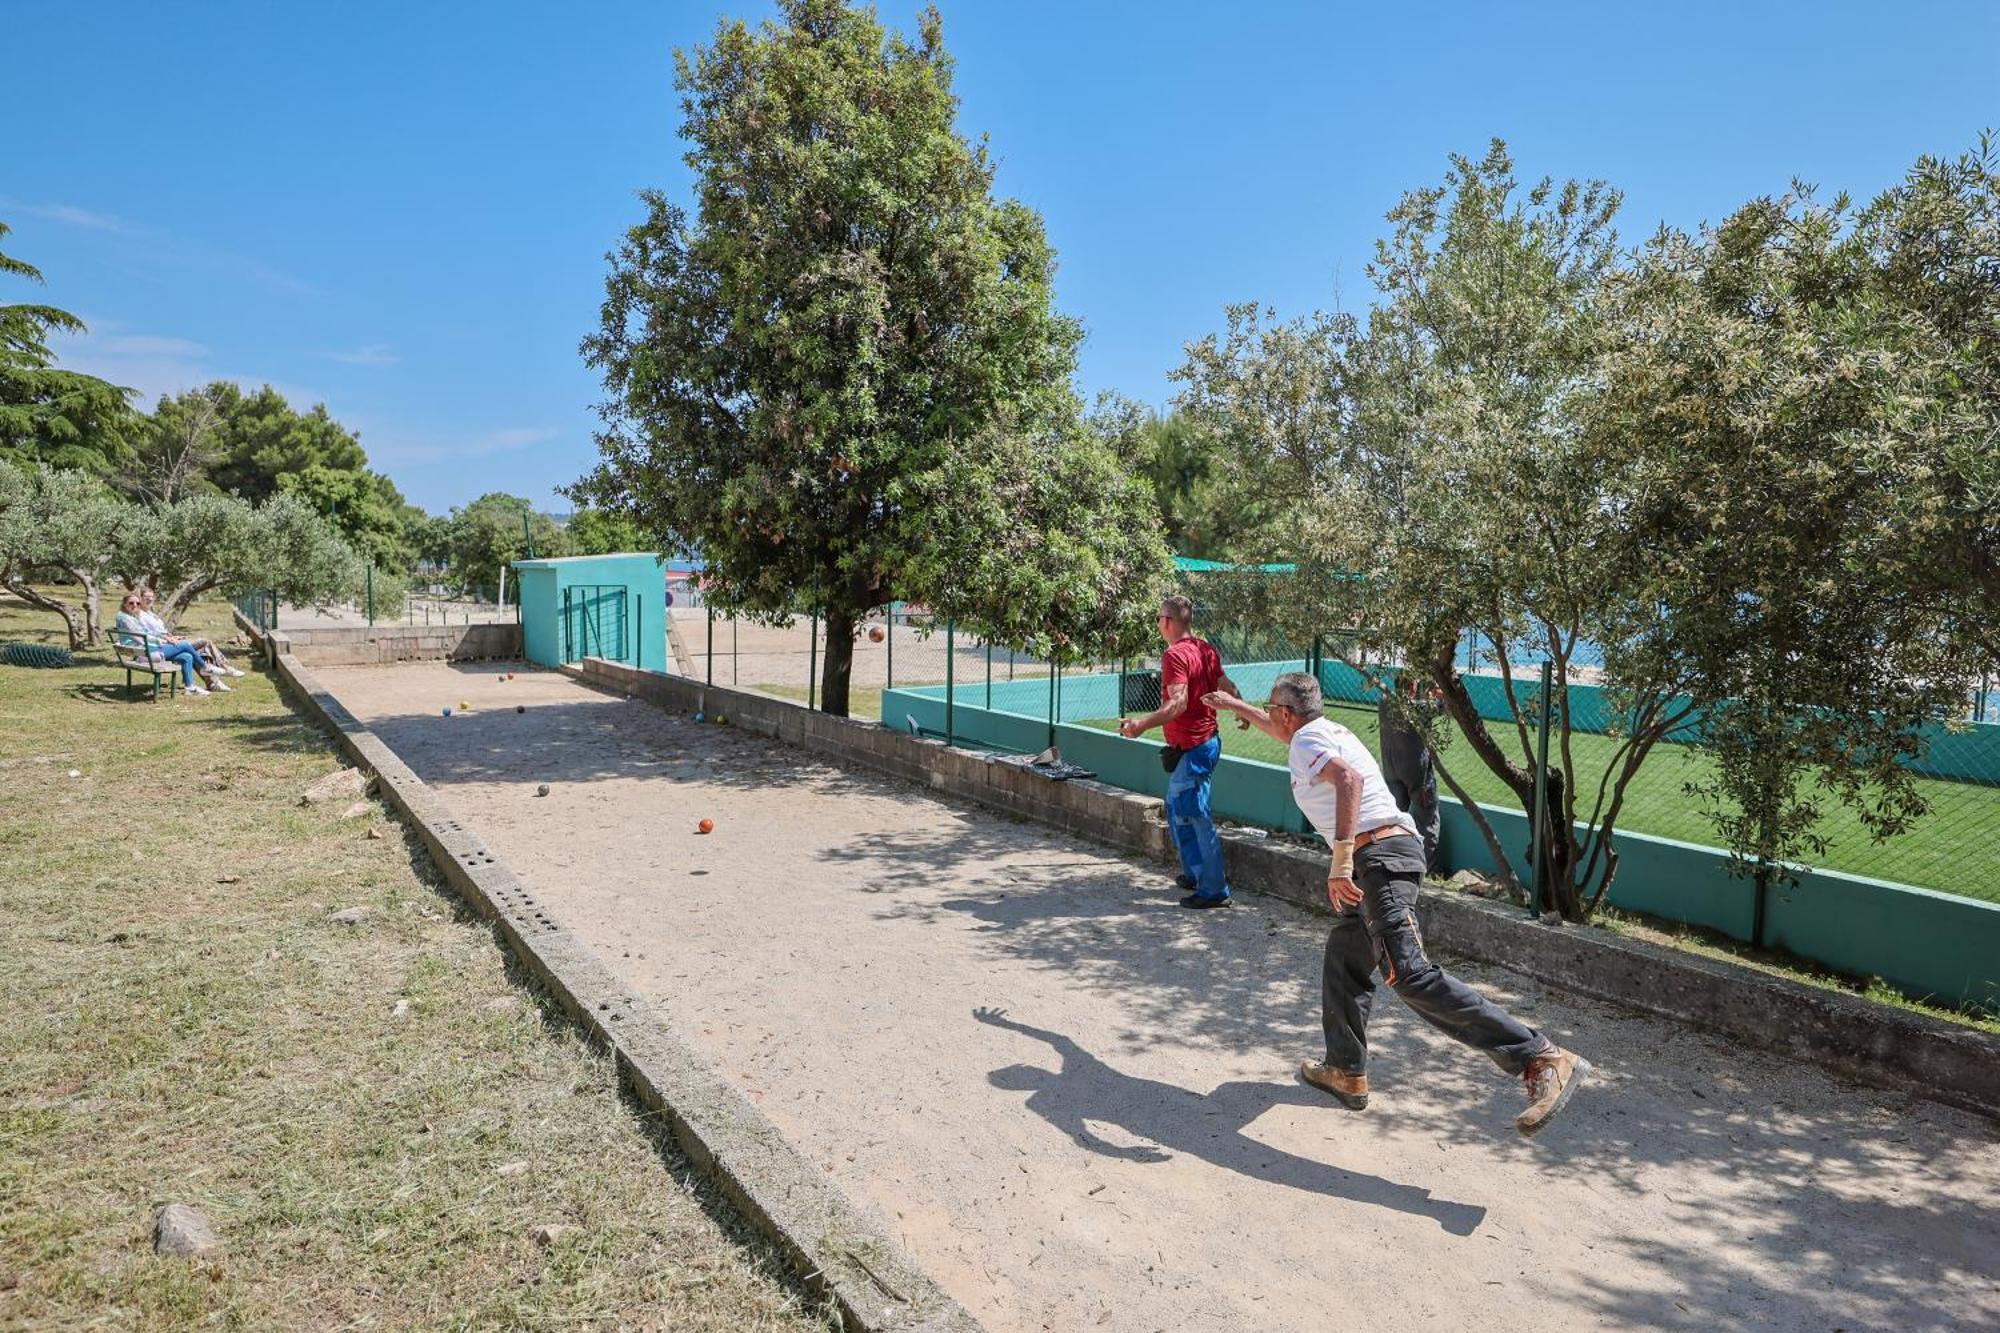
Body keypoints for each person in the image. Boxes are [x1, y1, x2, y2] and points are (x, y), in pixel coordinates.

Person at [1205, 671, 1590, 1137]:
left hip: (1377, 857)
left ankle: (1539, 1057)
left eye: (1270, 708)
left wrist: (1341, 860)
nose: (1267, 715)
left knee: (1409, 975)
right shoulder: (1320, 732)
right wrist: (1232, 705)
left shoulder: (1308, 741)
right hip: (1392, 850)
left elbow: (1347, 781)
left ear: (1287, 713)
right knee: (1347, 955)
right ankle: (1345, 1070)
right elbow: (1281, 733)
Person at [1118, 595, 1240, 909]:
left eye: (1159, 618)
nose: (1158, 623)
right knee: (1177, 808)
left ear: (1168, 621)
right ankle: (1194, 873)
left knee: (1196, 814)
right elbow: (1226, 684)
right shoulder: (1205, 648)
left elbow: (1178, 704)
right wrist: (1240, 709)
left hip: (1196, 747)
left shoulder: (1175, 655)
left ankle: (1213, 890)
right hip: (1201, 744)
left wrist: (1141, 725)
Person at [1377, 675, 1441, 871]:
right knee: (1426, 817)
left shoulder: (1384, 702)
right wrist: (1438, 693)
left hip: (1390, 768)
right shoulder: (1418, 707)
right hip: (1415, 771)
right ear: (1413, 687)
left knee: (1395, 815)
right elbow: (1445, 707)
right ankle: (1425, 866)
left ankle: (1390, 858)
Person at [136, 586, 245, 683]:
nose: (150, 599)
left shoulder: (151, 614)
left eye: (152, 597)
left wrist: (172, 637)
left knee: (191, 654)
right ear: (140, 598)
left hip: (166, 643)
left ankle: (210, 682)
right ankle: (217, 669)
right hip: (159, 647)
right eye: (146, 597)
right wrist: (168, 639)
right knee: (202, 643)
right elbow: (151, 634)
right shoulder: (141, 615)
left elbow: (160, 632)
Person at [114, 592, 212, 696]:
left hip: (144, 651)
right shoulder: (125, 619)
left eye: (138, 603)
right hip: (145, 652)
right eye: (131, 603)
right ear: (125, 604)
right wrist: (162, 641)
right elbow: (141, 636)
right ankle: (205, 667)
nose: (135, 605)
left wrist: (165, 638)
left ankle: (190, 687)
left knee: (186, 656)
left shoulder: (129, 617)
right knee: (185, 645)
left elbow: (147, 633)